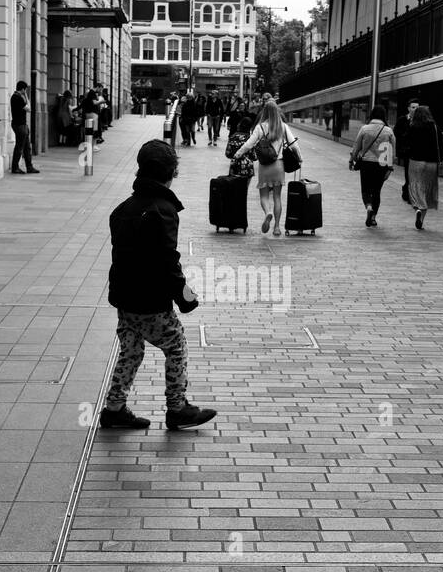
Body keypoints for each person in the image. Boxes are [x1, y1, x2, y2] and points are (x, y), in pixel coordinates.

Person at [101, 139, 217, 433]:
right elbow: (167, 260)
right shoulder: (162, 210)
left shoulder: (122, 209)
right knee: (176, 344)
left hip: (125, 297)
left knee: (132, 350)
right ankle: (177, 408)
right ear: (171, 172)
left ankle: (114, 409)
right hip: (149, 300)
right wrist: (184, 295)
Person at [233, 94, 299, 238]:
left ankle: (267, 212)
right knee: (277, 197)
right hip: (279, 165)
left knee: (264, 195)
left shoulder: (260, 127)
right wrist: (299, 158)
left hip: (265, 166)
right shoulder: (283, 126)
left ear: (265, 112)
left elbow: (249, 144)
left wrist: (237, 154)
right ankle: (276, 227)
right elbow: (294, 144)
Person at [350, 106, 396, 227]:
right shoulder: (388, 131)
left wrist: (352, 159)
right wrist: (390, 168)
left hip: (366, 163)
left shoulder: (364, 129)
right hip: (382, 164)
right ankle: (374, 217)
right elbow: (392, 151)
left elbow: (356, 146)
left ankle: (369, 207)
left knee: (365, 189)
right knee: (377, 191)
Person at [408, 104, 441, 231]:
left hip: (416, 161)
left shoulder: (413, 127)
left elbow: (407, 143)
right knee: (427, 189)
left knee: (416, 186)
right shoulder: (435, 127)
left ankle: (418, 209)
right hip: (432, 163)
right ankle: (421, 219)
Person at [10, 81, 39, 175]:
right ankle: (15, 167)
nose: (26, 91)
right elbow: (29, 108)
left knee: (27, 147)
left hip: (21, 125)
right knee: (20, 147)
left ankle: (29, 166)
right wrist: (26, 96)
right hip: (19, 125)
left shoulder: (16, 97)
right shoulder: (17, 98)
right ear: (22, 89)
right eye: (25, 89)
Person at [394, 99, 419, 201]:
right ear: (409, 108)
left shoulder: (422, 121)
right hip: (407, 152)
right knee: (409, 174)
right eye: (413, 107)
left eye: (417, 108)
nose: (415, 110)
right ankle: (408, 194)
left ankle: (408, 191)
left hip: (418, 153)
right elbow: (397, 133)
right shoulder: (402, 120)